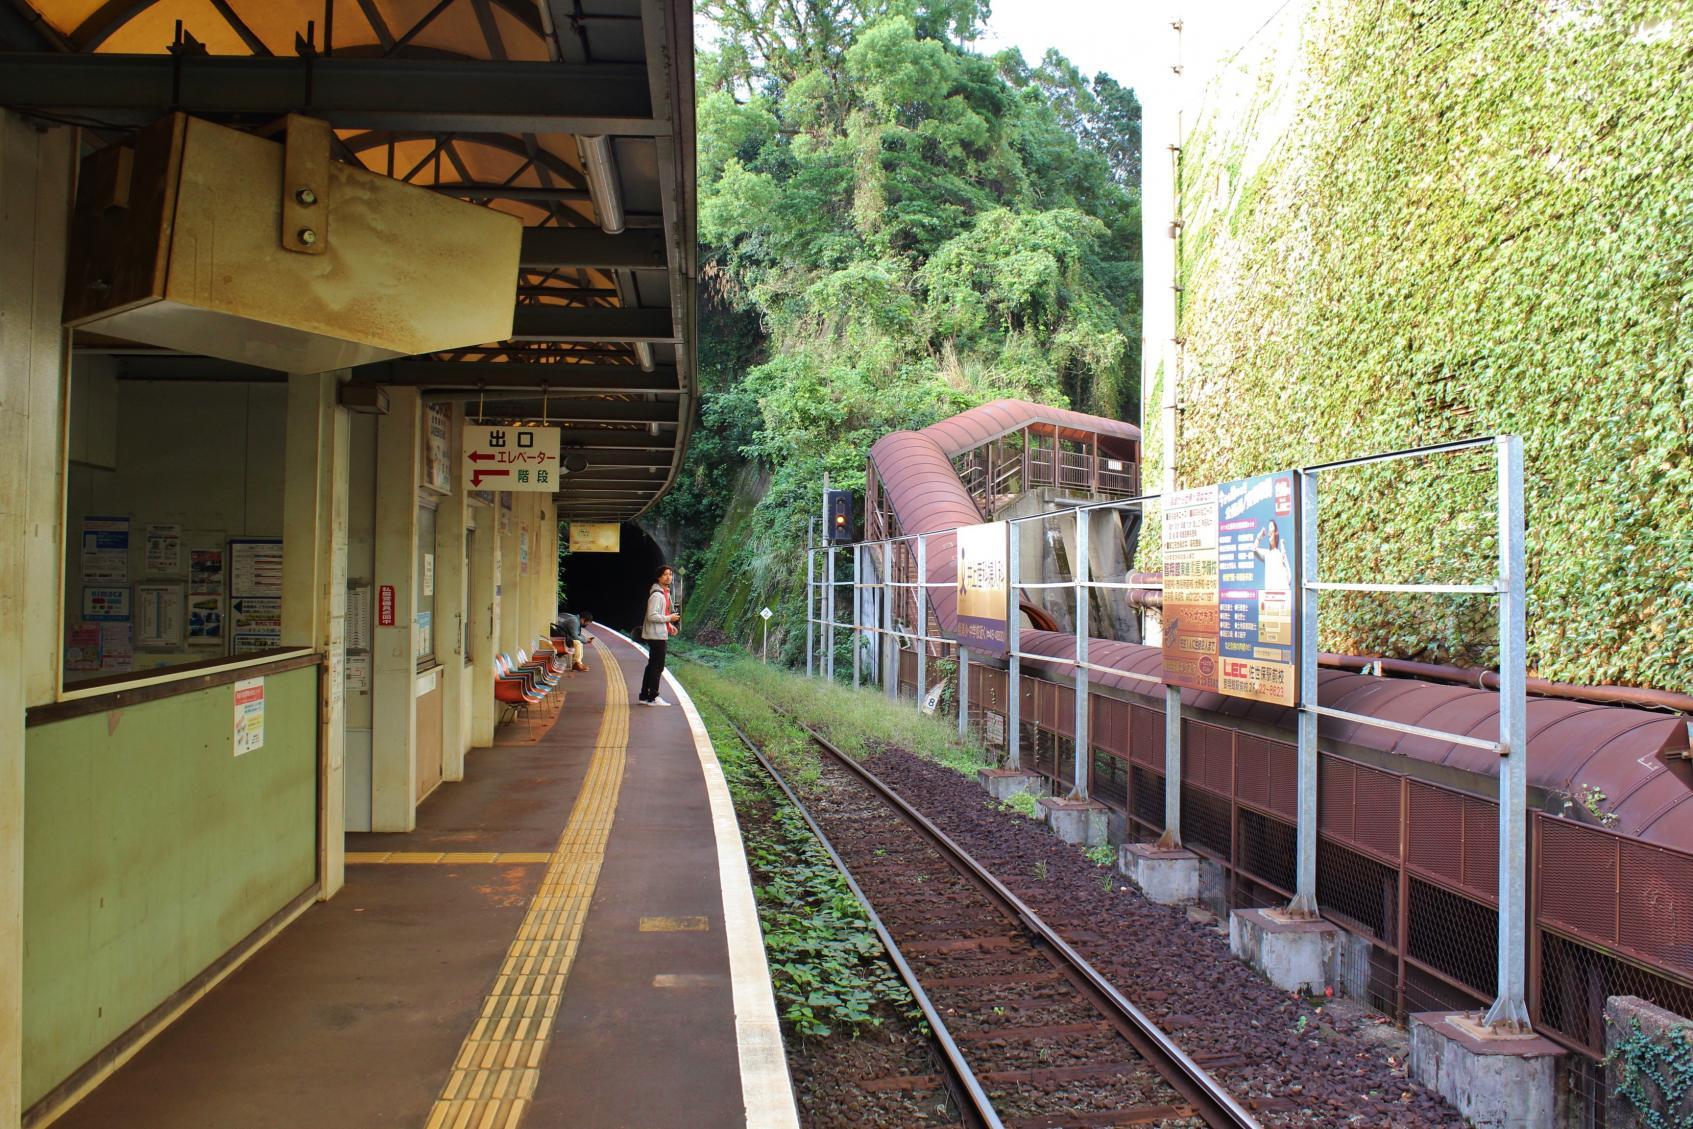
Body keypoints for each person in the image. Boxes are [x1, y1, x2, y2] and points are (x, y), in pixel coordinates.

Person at [638, 564, 680, 705]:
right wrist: (669, 619)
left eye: (670, 574)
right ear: (659, 577)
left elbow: (662, 614)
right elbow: (652, 616)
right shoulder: (657, 595)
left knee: (651, 665)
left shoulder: (664, 593)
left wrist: (669, 626)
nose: (669, 577)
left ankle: (644, 696)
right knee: (657, 666)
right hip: (656, 635)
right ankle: (654, 697)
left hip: (657, 633)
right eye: (665, 574)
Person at [1253, 520, 1292, 592]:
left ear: (1276, 533)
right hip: (1269, 598)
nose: (1269, 531)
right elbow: (1254, 550)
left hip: (1281, 597)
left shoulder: (1281, 554)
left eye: (1271, 527)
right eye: (1268, 528)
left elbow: (1289, 576)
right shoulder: (1266, 553)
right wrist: (1259, 537)